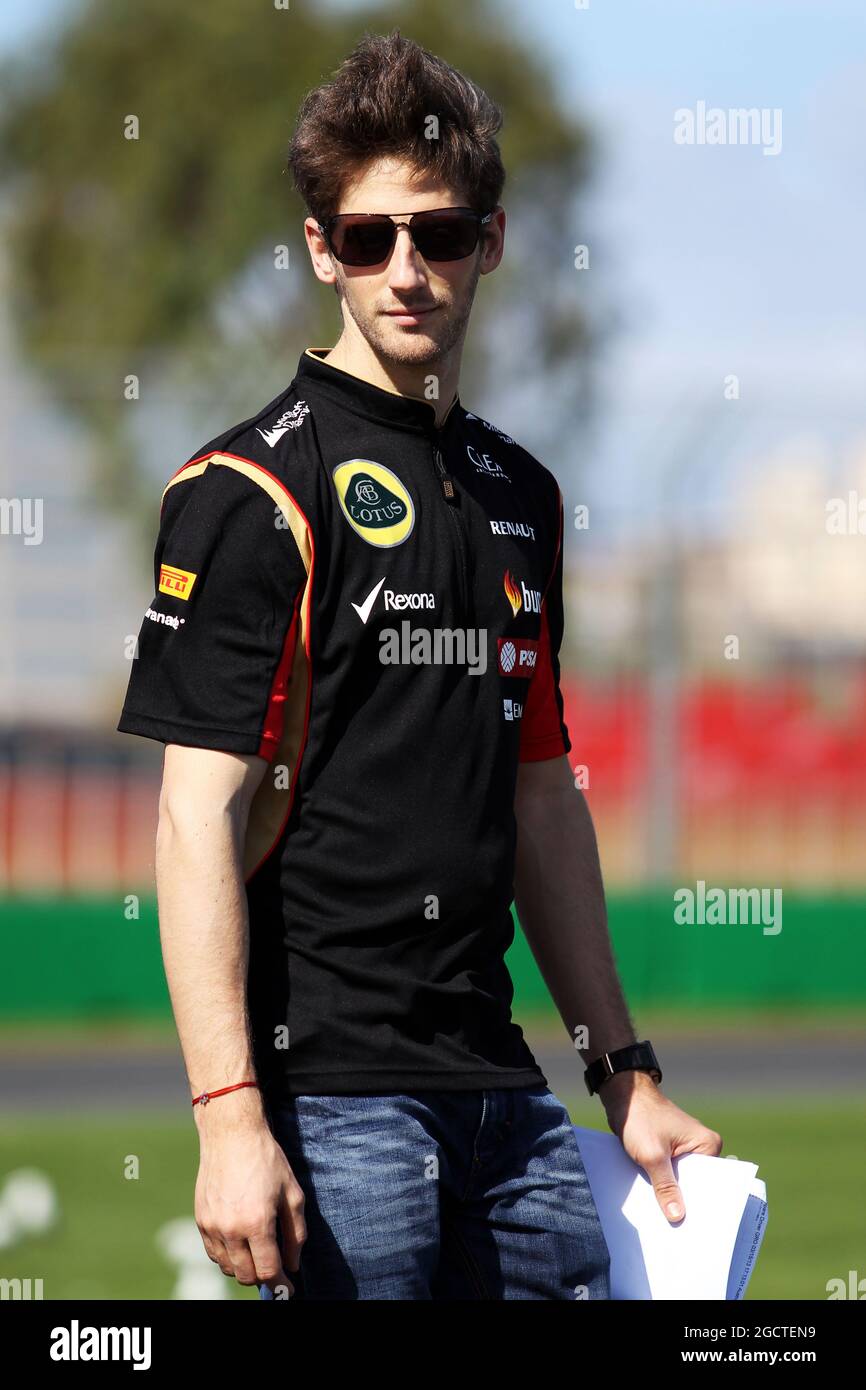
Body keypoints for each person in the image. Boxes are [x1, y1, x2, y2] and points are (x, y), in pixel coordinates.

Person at [117, 30, 722, 1301]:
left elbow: (541, 795)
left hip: (508, 1103)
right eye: (366, 236)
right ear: (319, 249)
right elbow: (194, 813)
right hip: (334, 1105)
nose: (405, 269)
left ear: (489, 243)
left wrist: (624, 1071)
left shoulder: (522, 494)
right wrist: (230, 1116)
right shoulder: (250, 488)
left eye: (439, 236)